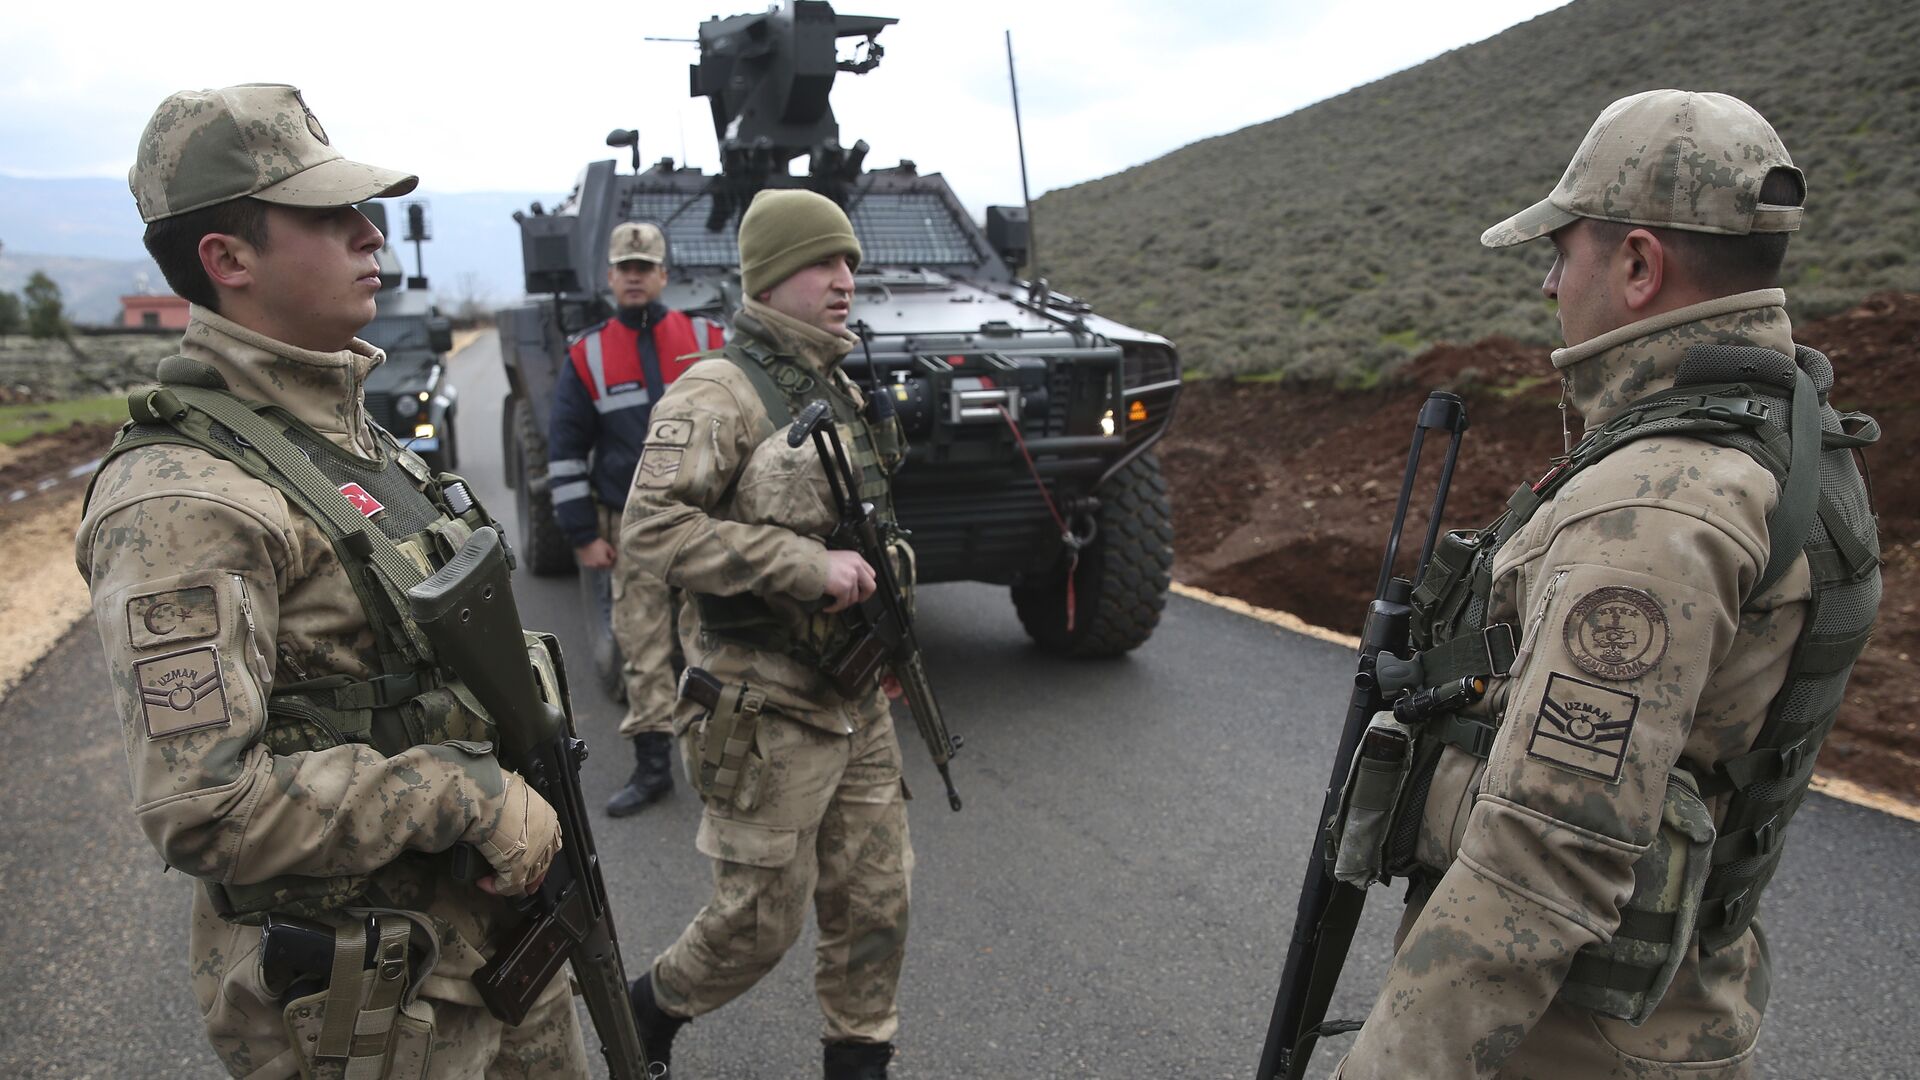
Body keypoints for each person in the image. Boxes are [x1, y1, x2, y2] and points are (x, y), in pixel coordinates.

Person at [1330, 89, 1882, 1079]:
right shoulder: (1785, 436)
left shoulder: (1658, 509)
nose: (1548, 285)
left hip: (1567, 1041)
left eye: (1563, 252)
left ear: (1637, 264)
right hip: (1674, 1012)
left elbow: (1544, 856)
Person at [76, 84, 586, 1078]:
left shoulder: (344, 439)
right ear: (227, 260)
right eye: (326, 215)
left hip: (484, 946)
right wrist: (463, 795)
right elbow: (203, 807)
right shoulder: (184, 502)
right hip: (377, 1002)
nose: (369, 233)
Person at [619, 188, 913, 1080]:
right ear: (773, 275)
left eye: (852, 262)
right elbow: (650, 531)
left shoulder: (837, 378)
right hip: (762, 699)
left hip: (853, 687)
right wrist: (800, 567)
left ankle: (859, 1058)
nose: (844, 279)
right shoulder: (718, 391)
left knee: (876, 899)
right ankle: (648, 1012)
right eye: (825, 262)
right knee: (757, 922)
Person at [547, 221, 723, 818]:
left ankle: (717, 762)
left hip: (705, 523)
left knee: (712, 645)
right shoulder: (588, 353)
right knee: (643, 650)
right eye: (625, 266)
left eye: (645, 266)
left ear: (663, 275)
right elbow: (566, 449)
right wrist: (582, 533)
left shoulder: (707, 337)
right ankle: (654, 770)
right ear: (610, 277)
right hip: (632, 529)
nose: (634, 276)